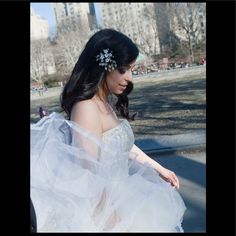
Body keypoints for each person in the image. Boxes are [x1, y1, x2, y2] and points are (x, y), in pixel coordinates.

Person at [31, 28, 186, 232]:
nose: (129, 77)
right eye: (123, 69)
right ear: (103, 67)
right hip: (103, 209)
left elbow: (120, 146)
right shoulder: (86, 108)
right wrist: (116, 225)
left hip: (120, 196)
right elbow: (88, 177)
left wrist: (158, 168)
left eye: (131, 69)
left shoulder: (103, 102)